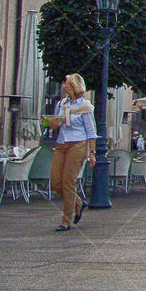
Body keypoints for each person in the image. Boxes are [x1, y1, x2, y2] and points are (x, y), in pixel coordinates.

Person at [47, 73, 97, 232]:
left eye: (66, 83)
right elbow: (55, 124)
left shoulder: (85, 106)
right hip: (62, 144)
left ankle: (66, 220)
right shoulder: (61, 104)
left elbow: (91, 131)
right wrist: (52, 123)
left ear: (74, 86)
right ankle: (78, 202)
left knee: (68, 182)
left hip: (78, 144)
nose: (63, 86)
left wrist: (92, 152)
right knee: (55, 182)